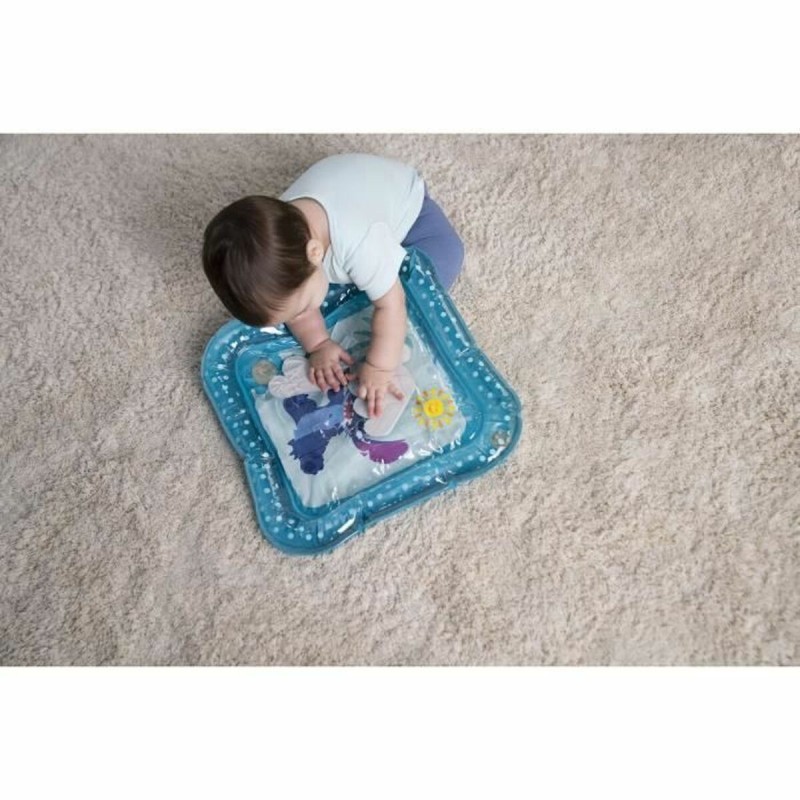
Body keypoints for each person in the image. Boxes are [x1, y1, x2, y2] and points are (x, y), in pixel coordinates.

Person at [202, 152, 464, 418]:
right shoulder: (282, 240)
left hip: (409, 208)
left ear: (315, 253)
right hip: (348, 188)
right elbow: (295, 306)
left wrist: (380, 367)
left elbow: (392, 305)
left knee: (438, 266)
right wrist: (317, 344)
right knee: (348, 287)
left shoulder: (359, 244)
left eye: (300, 310)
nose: (297, 318)